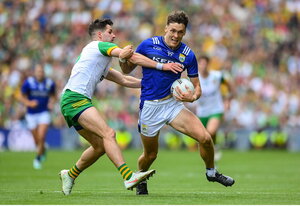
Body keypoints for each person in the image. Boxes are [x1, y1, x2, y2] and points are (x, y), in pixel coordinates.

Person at [59, 18, 182, 195]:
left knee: (100, 146)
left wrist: (148, 83)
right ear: (100, 35)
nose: (114, 34)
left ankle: (69, 175)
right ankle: (127, 176)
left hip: (72, 100)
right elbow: (124, 55)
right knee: (109, 133)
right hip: (75, 99)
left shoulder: (96, 57)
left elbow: (124, 79)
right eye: (110, 31)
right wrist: (161, 66)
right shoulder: (97, 46)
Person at [119, 10, 235, 195]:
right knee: (150, 155)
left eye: (180, 32)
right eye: (173, 30)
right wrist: (122, 58)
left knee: (205, 138)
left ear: (185, 32)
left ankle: (211, 172)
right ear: (166, 28)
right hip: (149, 107)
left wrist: (192, 97)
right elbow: (126, 70)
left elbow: (197, 88)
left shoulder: (188, 54)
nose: (176, 35)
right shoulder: (148, 45)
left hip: (172, 105)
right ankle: (140, 177)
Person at [194, 55, 233, 161]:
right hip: (202, 111)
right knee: (205, 136)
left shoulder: (217, 76)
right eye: (201, 63)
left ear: (208, 64)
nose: (203, 66)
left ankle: (214, 149)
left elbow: (229, 85)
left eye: (205, 63)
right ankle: (214, 148)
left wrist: (228, 99)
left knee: (210, 132)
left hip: (216, 109)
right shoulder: (194, 78)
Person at [19, 63, 56, 170]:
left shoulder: (49, 83)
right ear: (35, 72)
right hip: (31, 114)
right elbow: (21, 96)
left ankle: (38, 158)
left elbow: (53, 96)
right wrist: (29, 103)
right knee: (36, 140)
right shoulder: (28, 82)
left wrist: (51, 102)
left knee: (41, 136)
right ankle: (42, 149)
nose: (40, 73)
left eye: (41, 71)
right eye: (38, 71)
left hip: (44, 113)